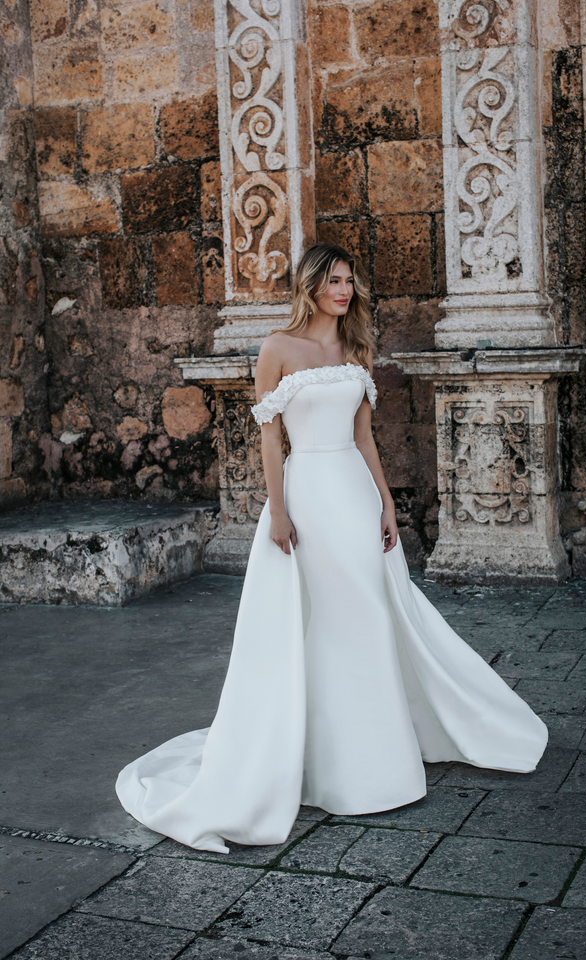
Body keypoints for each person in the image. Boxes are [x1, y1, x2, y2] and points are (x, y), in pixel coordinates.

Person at [116, 243, 548, 853]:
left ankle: (375, 761)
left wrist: (386, 501)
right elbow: (270, 441)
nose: (344, 291)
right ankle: (329, 765)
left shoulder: (354, 348)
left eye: (350, 281)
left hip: (353, 494)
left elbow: (365, 439)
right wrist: (279, 511)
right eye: (334, 281)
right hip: (308, 498)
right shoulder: (276, 349)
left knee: (370, 617)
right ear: (311, 285)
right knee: (325, 623)